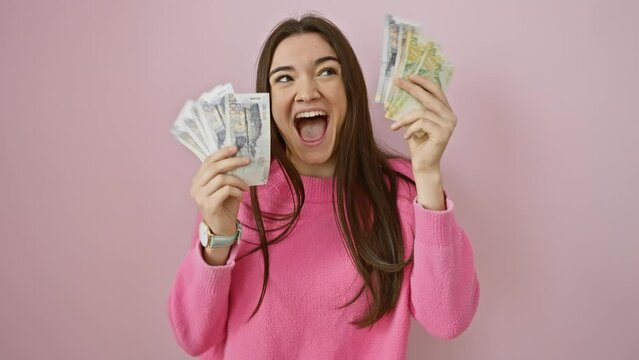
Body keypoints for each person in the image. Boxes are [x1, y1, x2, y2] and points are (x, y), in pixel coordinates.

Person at [168, 14, 480, 360]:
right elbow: (194, 338)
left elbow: (448, 320)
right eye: (284, 78)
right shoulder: (239, 189)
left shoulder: (402, 191)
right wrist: (218, 234)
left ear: (350, 90)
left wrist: (428, 174)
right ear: (267, 102)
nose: (307, 92)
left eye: (326, 71)